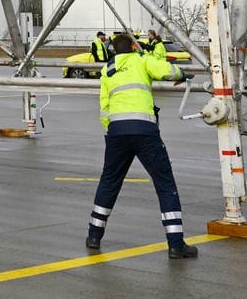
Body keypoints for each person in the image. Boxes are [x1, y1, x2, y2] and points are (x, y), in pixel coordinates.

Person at [84, 32, 196, 258]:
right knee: (164, 183)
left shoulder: (108, 70)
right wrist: (183, 74)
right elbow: (167, 70)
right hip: (144, 130)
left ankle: (94, 235)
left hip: (116, 132)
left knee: (109, 181)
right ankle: (176, 244)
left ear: (114, 51)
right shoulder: (141, 60)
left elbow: (104, 107)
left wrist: (110, 133)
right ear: (134, 47)